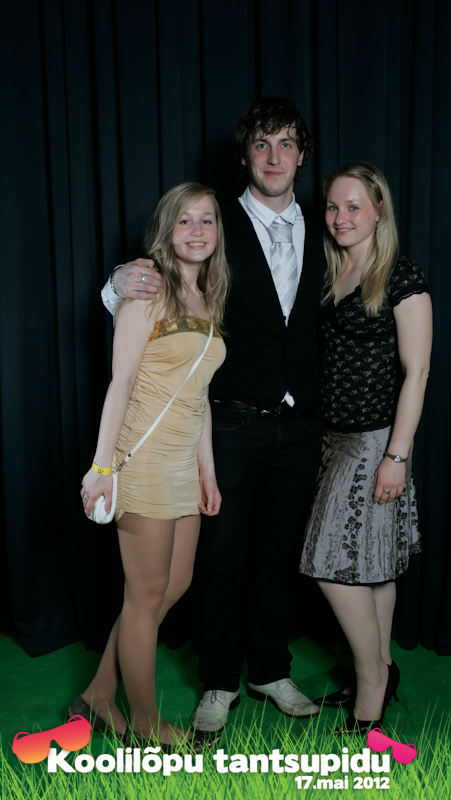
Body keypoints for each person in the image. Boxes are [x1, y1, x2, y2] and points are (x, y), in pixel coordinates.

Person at [102, 98, 326, 733]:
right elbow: (155, 283)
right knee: (219, 558)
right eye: (262, 144)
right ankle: (220, 679)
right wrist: (117, 283)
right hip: (227, 421)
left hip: (300, 424)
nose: (275, 156)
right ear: (245, 156)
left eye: (287, 144)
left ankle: (270, 668)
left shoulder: (329, 228)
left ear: (301, 156)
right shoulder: (213, 223)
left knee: (279, 554)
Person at [72, 183, 229, 750]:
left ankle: (97, 694)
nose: (196, 230)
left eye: (206, 220)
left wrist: (207, 471)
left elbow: (199, 394)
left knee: (175, 584)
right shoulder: (146, 291)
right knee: (144, 595)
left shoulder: (206, 297)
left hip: (184, 464)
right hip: (143, 460)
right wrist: (101, 467)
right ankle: (144, 721)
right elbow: (120, 384)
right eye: (184, 220)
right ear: (166, 229)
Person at [299, 163, 432, 735]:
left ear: (379, 211)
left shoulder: (401, 277)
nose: (341, 217)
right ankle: (382, 667)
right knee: (374, 564)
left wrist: (396, 456)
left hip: (375, 440)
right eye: (333, 206)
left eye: (354, 206)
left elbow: (417, 372)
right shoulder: (334, 270)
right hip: (333, 437)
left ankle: (371, 683)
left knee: (329, 566)